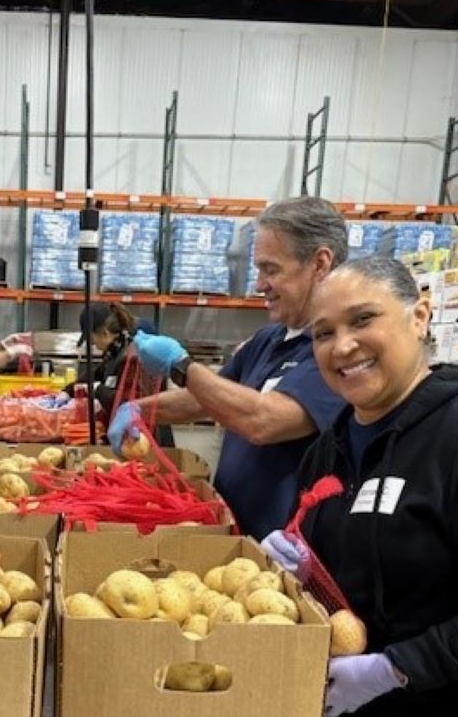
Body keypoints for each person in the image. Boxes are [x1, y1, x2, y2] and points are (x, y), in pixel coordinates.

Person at [259, 256, 458, 717]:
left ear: (420, 316)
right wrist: (295, 569)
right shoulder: (333, 446)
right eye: (324, 333)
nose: (343, 347)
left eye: (364, 320)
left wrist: (397, 668)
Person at [109, 196, 348, 539]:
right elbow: (204, 398)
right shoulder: (267, 339)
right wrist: (139, 411)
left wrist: (180, 365)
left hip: (281, 553)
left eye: (271, 269)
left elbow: (262, 421)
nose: (259, 284)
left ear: (320, 263)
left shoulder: (333, 351)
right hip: (232, 533)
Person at [75, 300, 173, 445]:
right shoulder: (116, 351)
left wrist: (98, 390)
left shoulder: (134, 358)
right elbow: (98, 372)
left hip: (144, 440)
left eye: (91, 338)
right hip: (125, 435)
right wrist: (70, 388)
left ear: (104, 333)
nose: (92, 344)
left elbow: (132, 404)